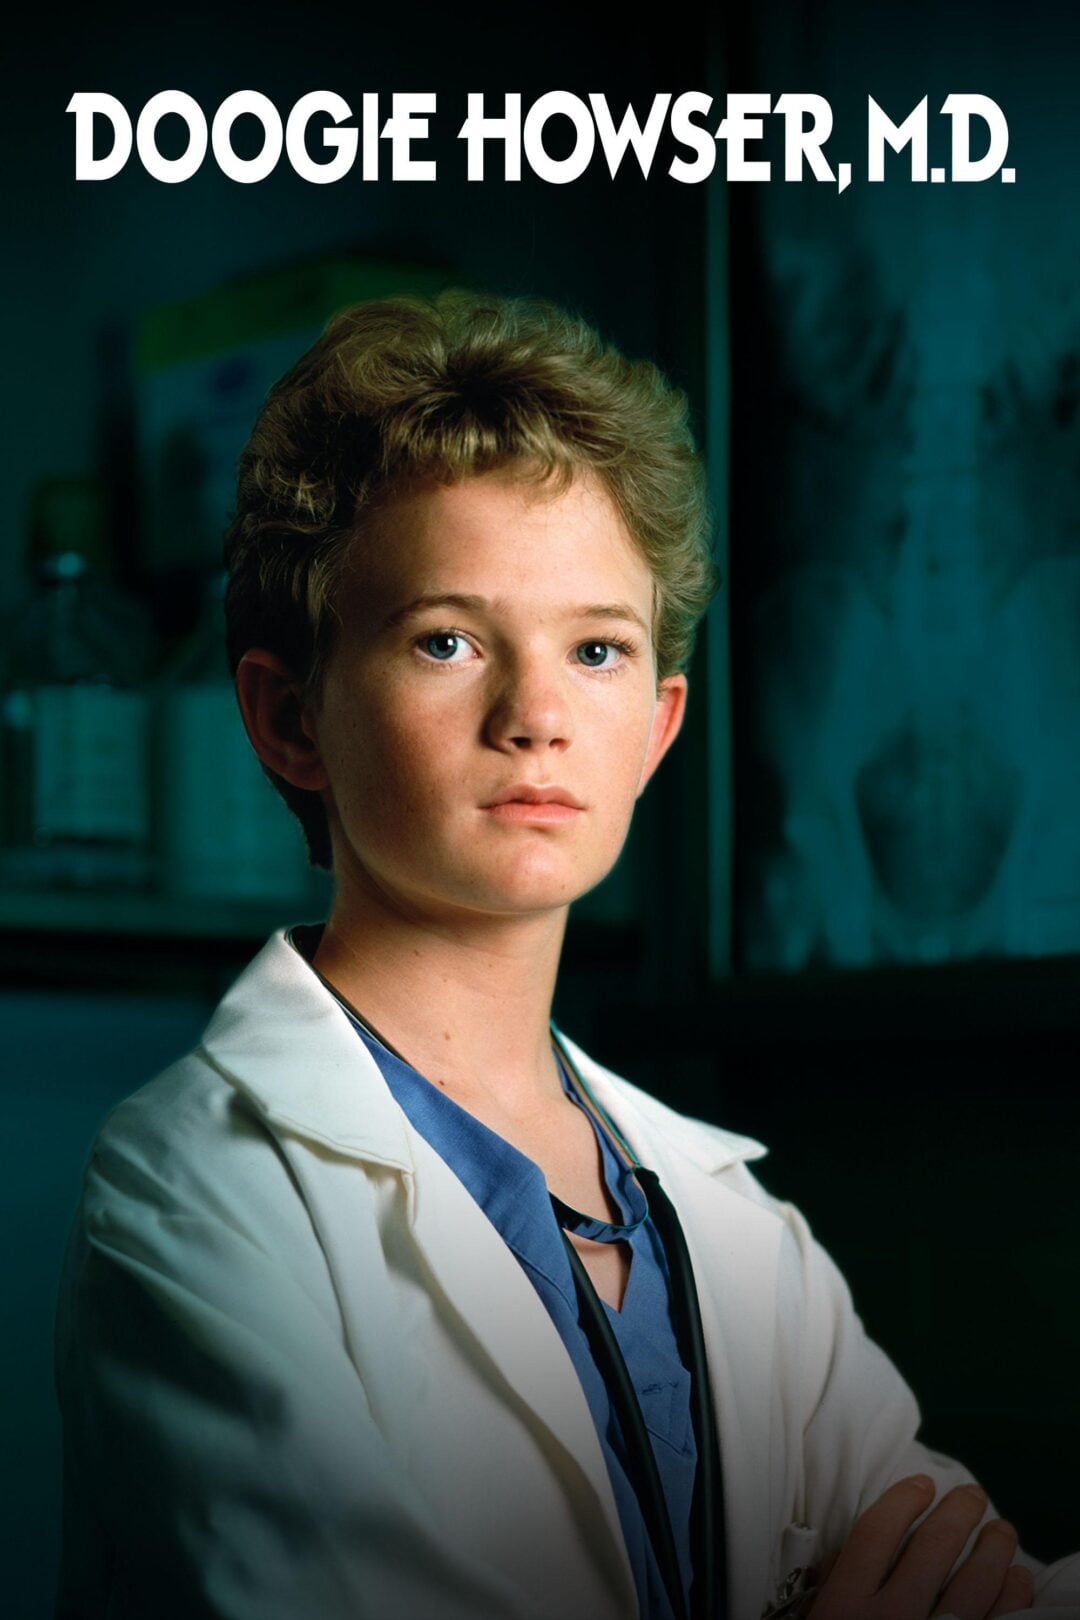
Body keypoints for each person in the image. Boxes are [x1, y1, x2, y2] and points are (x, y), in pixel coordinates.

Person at [54, 291, 1078, 1620]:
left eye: (596, 649)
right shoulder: (194, 1192)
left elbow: (987, 1591)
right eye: (448, 640)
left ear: (656, 731)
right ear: (290, 718)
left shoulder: (733, 1225)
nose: (536, 714)